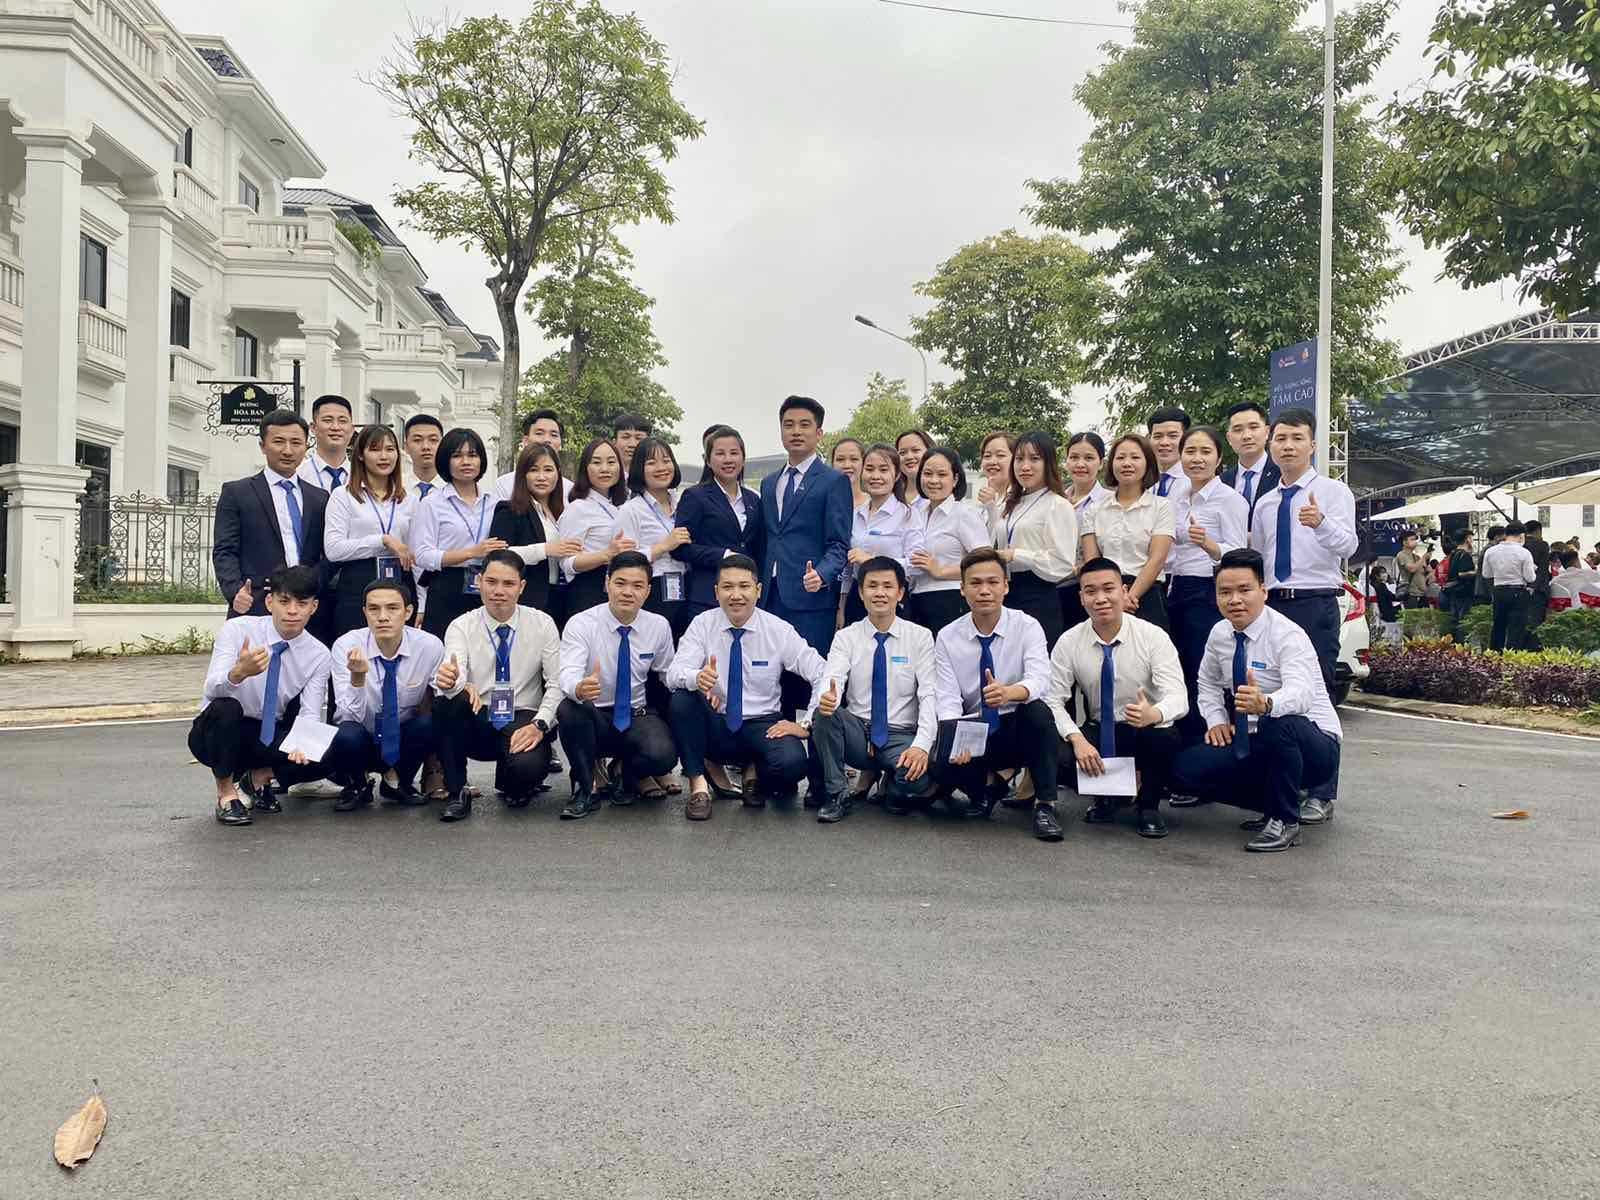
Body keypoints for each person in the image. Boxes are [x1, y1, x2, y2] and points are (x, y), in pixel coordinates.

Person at [1169, 549, 1343, 853]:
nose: (1234, 599)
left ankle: (1284, 820)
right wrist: (1216, 721)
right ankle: (1273, 801)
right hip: (1253, 740)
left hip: (1315, 746)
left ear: (1263, 591)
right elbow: (1207, 682)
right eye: (1225, 592)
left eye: (1244, 590)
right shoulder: (1220, 633)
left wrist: (1267, 703)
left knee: (1280, 724)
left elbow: (1303, 693)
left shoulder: (1288, 634)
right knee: (1184, 770)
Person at [1247, 406, 1355, 825]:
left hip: (1314, 602)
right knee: (1275, 695)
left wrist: (1321, 522)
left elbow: (1348, 547)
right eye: (1281, 439)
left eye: (1297, 438)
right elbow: (1260, 558)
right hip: (1274, 605)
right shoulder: (1266, 503)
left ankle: (1322, 792)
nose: (1288, 446)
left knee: (1317, 694)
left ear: (1312, 444)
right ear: (1271, 445)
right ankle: (1282, 793)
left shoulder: (1332, 492)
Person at [666, 554, 828, 817]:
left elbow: (822, 672)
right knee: (682, 698)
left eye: (744, 586)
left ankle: (753, 770)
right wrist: (697, 677)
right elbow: (674, 673)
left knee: (792, 765)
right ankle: (699, 785)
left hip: (763, 724)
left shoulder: (777, 629)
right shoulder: (703, 624)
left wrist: (806, 722)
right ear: (716, 592)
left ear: (758, 590)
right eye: (728, 587)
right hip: (718, 721)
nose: (736, 595)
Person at [1046, 557, 1187, 839]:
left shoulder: (1152, 636)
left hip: (1143, 728)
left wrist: (1154, 713)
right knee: (1055, 751)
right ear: (1081, 598)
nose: (1100, 598)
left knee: (1164, 737)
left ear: (1124, 592)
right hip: (1100, 730)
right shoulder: (1069, 641)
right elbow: (1052, 699)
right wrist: (1077, 739)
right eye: (1091, 591)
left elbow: (1178, 696)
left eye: (1108, 589)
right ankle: (1107, 796)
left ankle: (1148, 805)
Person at [932, 548, 1062, 841]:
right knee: (940, 766)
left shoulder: (1027, 626)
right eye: (975, 583)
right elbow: (948, 697)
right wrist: (955, 738)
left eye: (992, 582)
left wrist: (1009, 693)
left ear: (1006, 586)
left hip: (1016, 722)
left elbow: (1040, 679)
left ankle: (1045, 805)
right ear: (962, 588)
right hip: (976, 726)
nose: (984, 591)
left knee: (1038, 712)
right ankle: (989, 787)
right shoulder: (948, 636)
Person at [188, 565, 331, 825]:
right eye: (284, 601)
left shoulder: (319, 654)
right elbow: (211, 690)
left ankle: (257, 779)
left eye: (302, 603)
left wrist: (303, 744)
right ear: (269, 602)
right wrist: (239, 673)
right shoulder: (237, 630)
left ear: (314, 607)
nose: (292, 611)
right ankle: (226, 794)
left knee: (335, 747)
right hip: (219, 733)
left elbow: (310, 711)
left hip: (266, 733)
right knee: (225, 707)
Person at [432, 549, 563, 821]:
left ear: (521, 587)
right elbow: (454, 669)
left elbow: (556, 683)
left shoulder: (542, 623)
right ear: (479, 581)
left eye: (508, 583)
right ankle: (457, 791)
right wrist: (453, 682)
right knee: (448, 701)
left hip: (522, 716)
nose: (498, 591)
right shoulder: (461, 625)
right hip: (478, 715)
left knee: (526, 772)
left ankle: (512, 779)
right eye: (491, 582)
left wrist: (540, 724)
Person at [809, 557, 937, 822]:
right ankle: (837, 793)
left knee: (917, 780)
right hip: (859, 732)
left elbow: (929, 694)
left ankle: (893, 785)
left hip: (900, 734)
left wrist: (921, 746)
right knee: (825, 714)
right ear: (861, 592)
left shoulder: (920, 637)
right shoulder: (846, 636)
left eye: (888, 586)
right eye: (872, 586)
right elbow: (833, 676)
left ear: (900, 593)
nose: (880, 593)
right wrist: (828, 698)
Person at [555, 551, 680, 819]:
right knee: (569, 708)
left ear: (647, 591)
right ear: (607, 583)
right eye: (620, 583)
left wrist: (697, 680)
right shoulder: (582, 623)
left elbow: (668, 674)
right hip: (594, 714)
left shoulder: (658, 626)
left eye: (637, 585)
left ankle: (625, 772)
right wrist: (579, 687)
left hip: (636, 714)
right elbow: (567, 672)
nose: (628, 592)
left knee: (662, 756)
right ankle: (585, 788)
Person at [325, 578, 446, 809]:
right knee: (346, 735)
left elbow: (444, 693)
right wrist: (358, 678)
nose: (382, 617)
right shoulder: (346, 645)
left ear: (408, 612)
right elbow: (348, 715)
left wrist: (456, 685)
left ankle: (398, 782)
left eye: (392, 608)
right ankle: (357, 784)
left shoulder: (429, 646)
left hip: (401, 734)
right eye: (374, 609)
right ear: (364, 612)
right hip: (362, 733)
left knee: (432, 724)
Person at [758, 396, 853, 666]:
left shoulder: (834, 481)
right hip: (769, 596)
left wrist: (821, 574)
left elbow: (839, 543)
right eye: (788, 425)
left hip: (810, 598)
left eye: (804, 425)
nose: (796, 431)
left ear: (819, 433)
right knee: (768, 674)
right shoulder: (769, 483)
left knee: (808, 676)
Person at [1165, 426, 1247, 731]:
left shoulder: (1230, 499)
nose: (1197, 459)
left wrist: (1210, 545)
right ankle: (1184, 741)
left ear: (1219, 458)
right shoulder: (1178, 496)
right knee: (1178, 668)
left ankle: (1209, 735)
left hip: (1207, 589)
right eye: (1190, 451)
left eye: (1205, 452)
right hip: (1175, 587)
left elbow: (1239, 554)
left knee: (1203, 668)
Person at [213, 410, 328, 620]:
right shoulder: (237, 493)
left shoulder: (319, 498)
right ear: (262, 446)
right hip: (254, 603)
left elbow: (327, 552)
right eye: (278, 442)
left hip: (307, 606)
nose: (287, 450)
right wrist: (235, 590)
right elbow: (225, 550)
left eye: (296, 443)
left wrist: (314, 583)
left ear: (306, 447)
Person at [410, 428, 504, 640]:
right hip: (446, 585)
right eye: (457, 456)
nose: (466, 462)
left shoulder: (495, 503)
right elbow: (422, 555)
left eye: (472, 455)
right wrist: (471, 553)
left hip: (487, 586)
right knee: (447, 649)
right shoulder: (432, 503)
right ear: (446, 460)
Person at [324, 424, 416, 638]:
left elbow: (415, 553)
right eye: (375, 449)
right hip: (357, 583)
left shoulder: (409, 499)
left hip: (400, 583)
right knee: (356, 649)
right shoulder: (343, 496)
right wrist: (381, 540)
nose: (384, 456)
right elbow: (333, 549)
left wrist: (421, 600)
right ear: (361, 455)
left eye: (390, 449)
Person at [993, 430, 1079, 650]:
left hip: (1038, 595)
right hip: (1005, 594)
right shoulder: (1010, 503)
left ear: (1048, 463)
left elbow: (1062, 563)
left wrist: (1016, 555)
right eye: (1019, 459)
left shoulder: (1057, 505)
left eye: (1034, 459)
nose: (1025, 466)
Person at [1083, 433, 1174, 631]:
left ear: (1147, 463)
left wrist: (1129, 597)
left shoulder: (1161, 507)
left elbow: (1157, 559)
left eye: (1135, 457)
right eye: (1120, 457)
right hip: (1103, 596)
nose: (1127, 463)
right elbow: (1092, 561)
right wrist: (1112, 596)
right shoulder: (1094, 510)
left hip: (1146, 595)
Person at [675, 425, 764, 622]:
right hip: (707, 596)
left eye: (734, 453)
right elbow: (680, 549)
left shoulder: (753, 500)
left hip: (745, 600)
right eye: (720, 454)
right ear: (708, 460)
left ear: (743, 458)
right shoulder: (695, 496)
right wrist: (722, 555)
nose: (728, 459)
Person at [488, 442, 579, 622]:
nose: (541, 477)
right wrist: (545, 549)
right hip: (529, 599)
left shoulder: (563, 512)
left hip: (562, 598)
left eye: (548, 470)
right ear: (523, 475)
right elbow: (498, 555)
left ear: (558, 474)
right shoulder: (509, 510)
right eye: (534, 470)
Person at [908, 447, 990, 635]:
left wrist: (941, 571)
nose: (933, 480)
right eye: (927, 473)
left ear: (955, 479)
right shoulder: (916, 513)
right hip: (916, 600)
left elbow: (984, 563)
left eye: (942, 474)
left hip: (950, 600)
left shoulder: (964, 513)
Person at [616, 437, 691, 637]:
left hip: (687, 585)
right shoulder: (631, 510)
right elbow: (625, 561)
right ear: (639, 469)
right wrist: (663, 546)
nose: (661, 468)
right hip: (652, 589)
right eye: (651, 463)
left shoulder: (684, 502)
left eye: (666, 461)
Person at [843, 443, 916, 625]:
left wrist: (872, 561)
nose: (875, 476)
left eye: (883, 470)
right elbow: (848, 567)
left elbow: (917, 564)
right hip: (857, 598)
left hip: (892, 598)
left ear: (897, 475)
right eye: (869, 469)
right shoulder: (855, 515)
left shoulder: (908, 515)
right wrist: (841, 605)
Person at [557, 437, 632, 616]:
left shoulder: (627, 505)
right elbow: (567, 563)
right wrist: (606, 554)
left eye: (611, 462)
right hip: (589, 591)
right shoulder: (578, 508)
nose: (605, 469)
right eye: (597, 462)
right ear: (585, 468)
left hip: (623, 590)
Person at [1061, 431, 1111, 632]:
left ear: (1101, 463)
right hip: (1056, 586)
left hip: (1091, 587)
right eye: (1074, 457)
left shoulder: (1109, 501)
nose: (1080, 464)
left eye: (1089, 458)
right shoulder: (1057, 499)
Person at [492, 409, 572, 504]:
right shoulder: (505, 485)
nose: (547, 440)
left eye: (553, 435)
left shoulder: (569, 490)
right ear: (525, 441)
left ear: (560, 444)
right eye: (539, 433)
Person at [1220, 401, 1280, 526]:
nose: (1246, 436)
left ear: (1267, 432)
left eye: (1253, 427)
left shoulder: (1283, 475)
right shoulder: (1222, 481)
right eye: (1238, 430)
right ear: (1229, 438)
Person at [1482, 520, 1536, 652]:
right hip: (1518, 592)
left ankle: (1495, 655)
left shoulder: (1491, 551)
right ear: (1522, 536)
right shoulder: (1524, 553)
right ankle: (1512, 657)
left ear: (1506, 534)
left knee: (1498, 625)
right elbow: (1530, 578)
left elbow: (1486, 574)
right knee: (1516, 628)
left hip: (1499, 591)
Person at [294, 394, 356, 492]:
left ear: (352, 430)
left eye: (342, 421)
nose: (335, 427)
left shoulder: (364, 477)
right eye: (328, 420)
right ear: (313, 427)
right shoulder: (298, 474)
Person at [1146, 405, 1191, 504]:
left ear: (1186, 439)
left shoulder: (1195, 482)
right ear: (1149, 439)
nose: (1164, 443)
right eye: (1158, 436)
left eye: (1172, 436)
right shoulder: (1143, 483)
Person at [1522, 519, 1553, 644]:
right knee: (1536, 621)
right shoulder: (1542, 545)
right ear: (1538, 531)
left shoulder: (1520, 544)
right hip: (1538, 589)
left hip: (1520, 587)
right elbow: (1543, 569)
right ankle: (1534, 646)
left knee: (1522, 620)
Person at [975, 431, 1015, 523]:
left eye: (1000, 455)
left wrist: (991, 506)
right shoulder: (981, 501)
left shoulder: (1022, 499)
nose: (992, 462)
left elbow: (1003, 530)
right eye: (987, 456)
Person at [403, 414, 445, 499]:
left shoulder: (454, 489)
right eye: (417, 440)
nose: (426, 446)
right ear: (406, 447)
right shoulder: (396, 488)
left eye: (433, 440)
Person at [895, 430, 934, 509]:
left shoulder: (942, 496)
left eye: (915, 450)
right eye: (902, 453)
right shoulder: (890, 496)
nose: (909, 457)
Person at [612, 413, 653, 484]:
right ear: (614, 442)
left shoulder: (656, 479)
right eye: (626, 437)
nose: (632, 444)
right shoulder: (605, 479)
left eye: (639, 438)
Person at [1395, 531, 1430, 609]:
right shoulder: (1402, 555)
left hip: (1422, 593)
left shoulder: (1416, 556)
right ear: (1404, 542)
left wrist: (1427, 561)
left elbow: (1424, 571)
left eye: (1415, 539)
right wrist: (1423, 558)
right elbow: (1412, 569)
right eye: (1412, 539)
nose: (1415, 542)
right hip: (1411, 594)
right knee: (1413, 616)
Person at [830, 437, 868, 510]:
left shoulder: (875, 503)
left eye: (854, 459)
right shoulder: (822, 503)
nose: (847, 465)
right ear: (832, 464)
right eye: (840, 459)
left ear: (863, 463)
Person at [1369, 565, 1402, 643]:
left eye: (1385, 572)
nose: (1385, 574)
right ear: (1376, 576)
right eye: (1382, 572)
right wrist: (1402, 596)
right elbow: (1391, 596)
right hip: (1387, 611)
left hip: (1381, 610)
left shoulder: (1373, 584)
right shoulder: (1381, 586)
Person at [1476, 524, 1504, 608]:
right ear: (1496, 537)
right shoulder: (1490, 550)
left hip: (1484, 587)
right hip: (1486, 588)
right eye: (1503, 537)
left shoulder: (1488, 548)